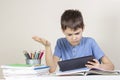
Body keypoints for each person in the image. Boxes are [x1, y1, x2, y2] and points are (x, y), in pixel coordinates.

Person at [32, 9, 114, 73]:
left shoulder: (90, 42)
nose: (74, 38)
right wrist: (47, 47)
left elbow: (111, 66)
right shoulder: (61, 43)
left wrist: (99, 66)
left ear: (83, 28)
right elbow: (51, 69)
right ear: (63, 31)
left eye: (77, 33)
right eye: (69, 34)